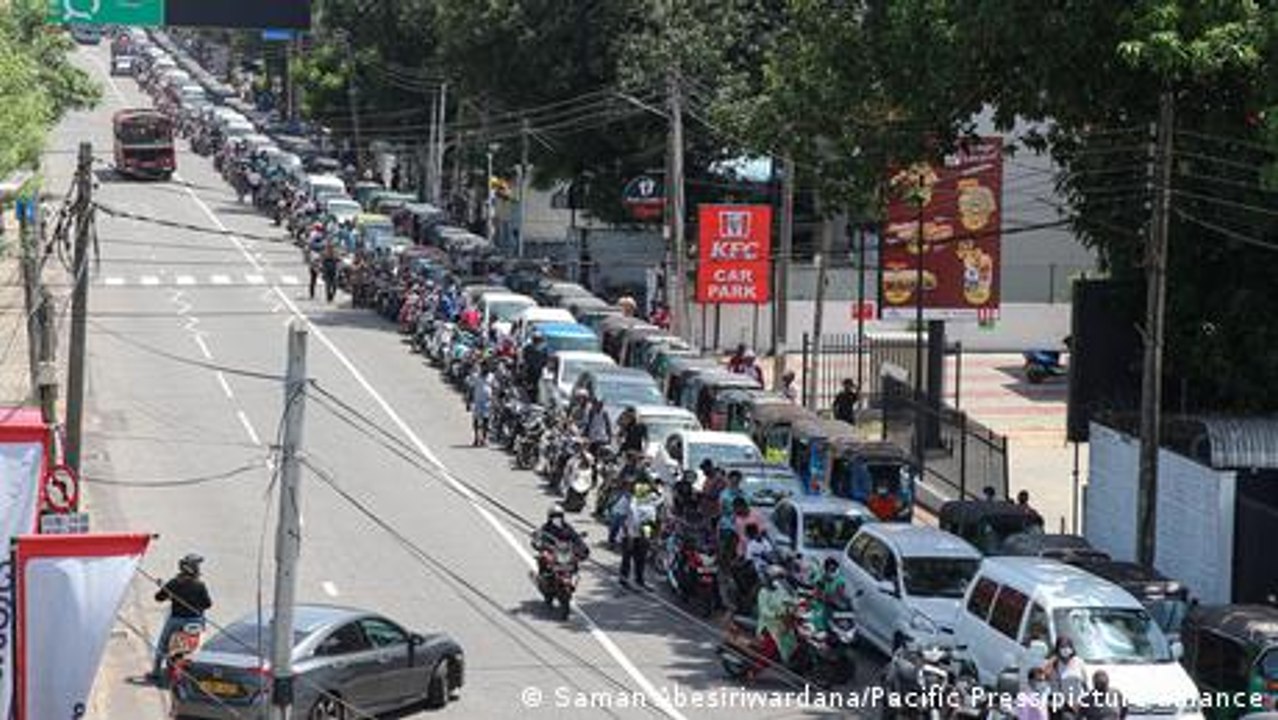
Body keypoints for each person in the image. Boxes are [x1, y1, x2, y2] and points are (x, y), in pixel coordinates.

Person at [149, 554, 212, 684]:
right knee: (202, 643)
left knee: (163, 643)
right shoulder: (200, 585)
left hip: (176, 620)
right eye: (197, 565)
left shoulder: (174, 583)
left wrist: (168, 592)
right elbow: (208, 604)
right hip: (196, 620)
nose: (198, 568)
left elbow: (158, 598)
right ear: (192, 568)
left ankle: (156, 671)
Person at [754, 565, 798, 673]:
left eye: (780, 578)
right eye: (776, 578)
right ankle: (754, 669)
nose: (778, 581)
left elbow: (789, 599)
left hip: (783, 622)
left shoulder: (780, 589)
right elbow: (764, 610)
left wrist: (798, 603)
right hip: (769, 625)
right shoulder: (763, 592)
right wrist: (776, 615)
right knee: (771, 648)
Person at [531, 504, 588, 576]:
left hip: (565, 552)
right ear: (550, 517)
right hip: (552, 551)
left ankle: (570, 576)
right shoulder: (546, 528)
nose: (557, 519)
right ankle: (543, 575)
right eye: (554, 516)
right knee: (544, 556)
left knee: (576, 559)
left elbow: (575, 537)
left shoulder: (567, 527)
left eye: (559, 516)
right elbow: (538, 538)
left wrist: (583, 548)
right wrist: (538, 541)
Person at [620, 482, 657, 588]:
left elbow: (650, 522)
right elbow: (624, 518)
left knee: (641, 558)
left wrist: (648, 536)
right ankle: (624, 578)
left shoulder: (650, 505)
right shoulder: (629, 502)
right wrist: (629, 535)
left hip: (643, 534)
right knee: (627, 557)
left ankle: (639, 580)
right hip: (629, 534)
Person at [1044, 636, 1089, 715]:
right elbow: (1045, 679)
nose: (1065, 649)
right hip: (1061, 706)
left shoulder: (1078, 662)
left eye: (1067, 646)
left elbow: (1085, 684)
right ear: (1058, 649)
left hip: (1078, 705)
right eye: (1062, 647)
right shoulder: (1054, 663)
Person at [585, 398, 613, 479]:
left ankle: (599, 475)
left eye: (600, 405)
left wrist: (609, 437)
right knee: (591, 457)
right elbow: (588, 424)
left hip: (601, 438)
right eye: (596, 404)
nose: (598, 406)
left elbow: (608, 426)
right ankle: (592, 475)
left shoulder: (604, 413)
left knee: (599, 458)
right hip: (592, 438)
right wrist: (585, 435)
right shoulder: (591, 412)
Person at [469, 365, 494, 446]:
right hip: (477, 401)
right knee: (476, 420)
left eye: (486, 368)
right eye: (484, 367)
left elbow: (495, 387)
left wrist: (494, 399)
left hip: (487, 402)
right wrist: (468, 401)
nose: (485, 369)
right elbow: (471, 388)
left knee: (486, 420)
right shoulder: (476, 376)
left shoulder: (491, 376)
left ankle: (484, 439)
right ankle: (476, 438)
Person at [320, 237, 340, 303]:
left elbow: (338, 259)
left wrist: (336, 258)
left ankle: (332, 295)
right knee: (328, 284)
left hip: (334, 269)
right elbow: (322, 261)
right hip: (327, 269)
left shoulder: (335, 252)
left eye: (332, 246)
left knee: (334, 284)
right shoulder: (324, 252)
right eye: (329, 246)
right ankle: (328, 296)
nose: (331, 247)